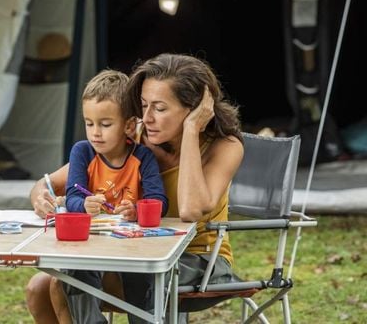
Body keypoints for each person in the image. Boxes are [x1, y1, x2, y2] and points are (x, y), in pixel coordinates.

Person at [26, 53, 244, 323]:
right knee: (39, 288)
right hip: (135, 252)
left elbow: (190, 210)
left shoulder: (224, 146)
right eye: (143, 105)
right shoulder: (135, 137)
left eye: (160, 109)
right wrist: (40, 195)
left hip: (197, 261)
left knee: (63, 284)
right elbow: (52, 183)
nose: (147, 118)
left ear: (194, 108)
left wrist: (191, 131)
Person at [28, 69, 167, 324]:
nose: (95, 133)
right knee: (76, 272)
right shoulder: (83, 152)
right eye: (89, 123)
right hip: (91, 249)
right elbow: (71, 198)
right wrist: (83, 204)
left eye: (105, 124)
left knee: (141, 281)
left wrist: (136, 210)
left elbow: (159, 201)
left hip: (132, 250)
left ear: (128, 125)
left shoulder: (143, 157)